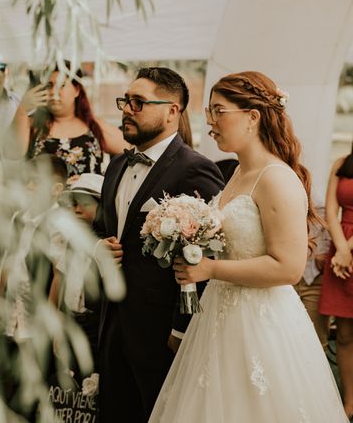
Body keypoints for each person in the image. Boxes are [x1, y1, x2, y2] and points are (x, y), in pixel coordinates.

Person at [149, 71, 348, 422]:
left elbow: (288, 267)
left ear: (252, 117)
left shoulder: (276, 178)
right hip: (218, 318)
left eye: (219, 111)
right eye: (209, 112)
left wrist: (211, 269)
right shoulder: (238, 174)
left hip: (263, 324)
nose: (210, 121)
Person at [93, 67, 224, 423]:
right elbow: (99, 229)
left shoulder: (196, 169)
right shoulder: (117, 165)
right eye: (125, 101)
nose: (126, 109)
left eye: (139, 102)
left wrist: (182, 328)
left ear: (172, 111)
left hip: (161, 334)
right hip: (112, 325)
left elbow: (210, 254)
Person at [9, 63, 127, 177]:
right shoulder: (32, 124)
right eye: (49, 85)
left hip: (87, 197)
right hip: (42, 196)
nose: (54, 92)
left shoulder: (93, 126)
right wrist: (22, 109)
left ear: (76, 90)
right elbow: (13, 153)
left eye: (62, 85)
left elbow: (132, 149)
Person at [50, 173, 105, 376]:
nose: (77, 209)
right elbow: (60, 279)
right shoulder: (71, 241)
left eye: (85, 203)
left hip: (94, 326)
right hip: (71, 321)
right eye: (73, 203)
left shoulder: (109, 245)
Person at [320, 142, 353, 419]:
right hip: (340, 252)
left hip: (346, 249)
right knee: (343, 335)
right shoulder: (341, 163)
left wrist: (347, 248)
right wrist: (341, 248)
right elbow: (331, 212)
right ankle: (349, 402)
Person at [294, 200, 330, 349]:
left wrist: (328, 251)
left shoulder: (333, 176)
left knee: (316, 342)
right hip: (284, 278)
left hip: (317, 275)